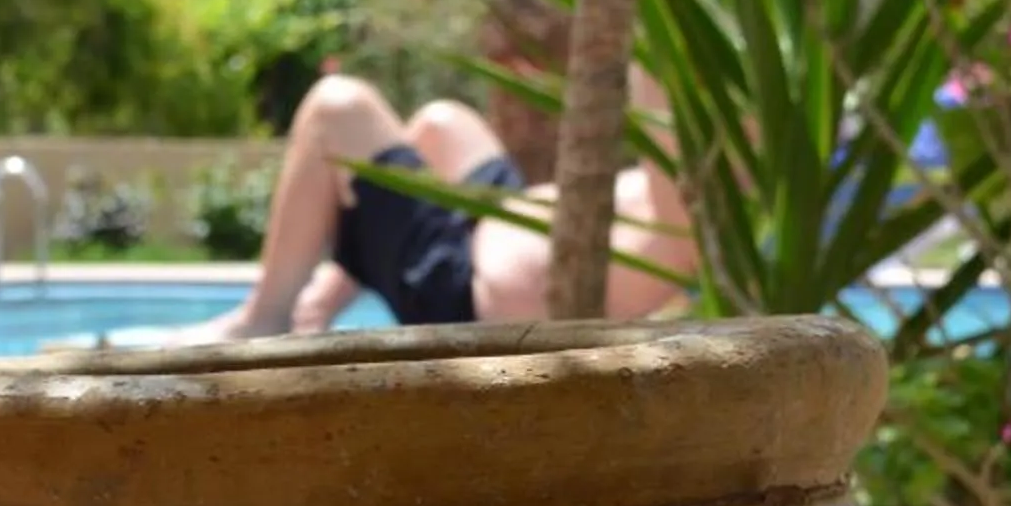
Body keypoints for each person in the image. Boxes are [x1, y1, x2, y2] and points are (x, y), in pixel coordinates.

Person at [191, 70, 691, 343]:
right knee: (441, 122)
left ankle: (265, 317)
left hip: (462, 292)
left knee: (336, 107)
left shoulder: (691, 216)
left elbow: (659, 121)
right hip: (502, 217)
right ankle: (332, 289)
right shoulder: (689, 180)